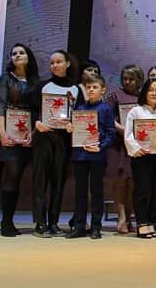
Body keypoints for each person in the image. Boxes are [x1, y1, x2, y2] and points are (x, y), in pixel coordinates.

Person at [31, 50, 80, 236]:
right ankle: (40, 223)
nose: (55, 65)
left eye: (59, 62)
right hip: (43, 137)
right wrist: (36, 122)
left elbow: (79, 114)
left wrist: (72, 124)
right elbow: (32, 109)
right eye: (52, 63)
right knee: (40, 181)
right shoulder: (43, 86)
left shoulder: (75, 89)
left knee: (58, 182)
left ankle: (53, 222)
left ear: (67, 64)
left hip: (63, 139)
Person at [0, 44, 40, 237]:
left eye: (21, 53)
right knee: (11, 176)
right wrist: (2, 132)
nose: (17, 55)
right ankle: (6, 222)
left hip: (30, 134)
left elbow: (39, 110)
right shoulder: (6, 78)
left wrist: (33, 133)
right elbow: (1, 104)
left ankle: (37, 222)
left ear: (29, 56)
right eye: (14, 53)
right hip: (9, 133)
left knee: (22, 177)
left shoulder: (36, 81)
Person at [67, 73, 116, 239]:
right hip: (80, 156)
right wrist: (70, 129)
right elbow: (75, 131)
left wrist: (100, 147)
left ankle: (96, 227)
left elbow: (111, 133)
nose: (91, 90)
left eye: (95, 87)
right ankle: (79, 226)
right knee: (80, 192)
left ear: (103, 90)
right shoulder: (79, 109)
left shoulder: (106, 109)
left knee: (97, 191)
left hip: (97, 156)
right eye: (88, 87)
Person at [124, 78, 156, 238]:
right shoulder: (135, 111)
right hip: (141, 155)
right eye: (151, 90)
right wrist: (136, 148)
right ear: (144, 92)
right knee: (142, 188)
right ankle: (141, 223)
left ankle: (151, 221)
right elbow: (128, 133)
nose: (154, 93)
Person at [106, 64, 144, 234]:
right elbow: (107, 117)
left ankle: (130, 217)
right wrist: (124, 130)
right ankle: (121, 217)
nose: (127, 82)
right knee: (120, 180)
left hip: (138, 144)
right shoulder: (114, 95)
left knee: (134, 181)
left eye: (131, 79)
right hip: (119, 144)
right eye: (124, 79)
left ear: (139, 80)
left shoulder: (143, 96)